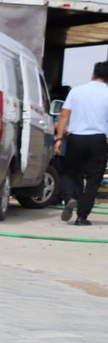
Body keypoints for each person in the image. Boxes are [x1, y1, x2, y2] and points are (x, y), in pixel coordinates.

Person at [57, 61, 108, 226]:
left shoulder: (76, 91)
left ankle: (70, 198)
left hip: (76, 138)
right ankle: (82, 217)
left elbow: (64, 116)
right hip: (99, 139)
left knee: (69, 173)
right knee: (93, 180)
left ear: (92, 74)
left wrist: (59, 139)